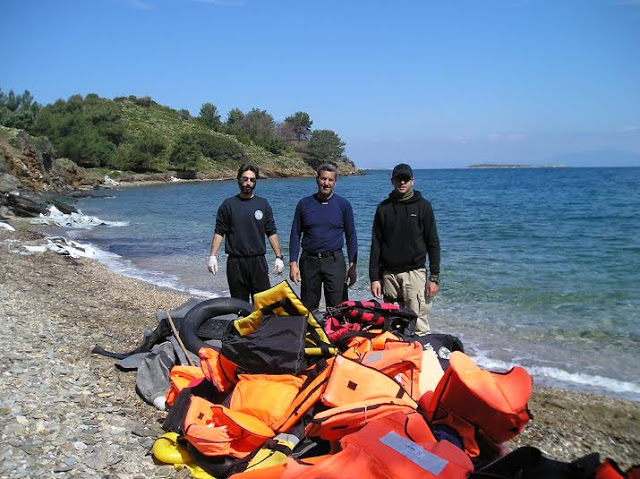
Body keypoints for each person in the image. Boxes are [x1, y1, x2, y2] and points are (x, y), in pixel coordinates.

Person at [369, 163, 440, 334]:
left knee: (418, 322)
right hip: (389, 275)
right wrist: (374, 277)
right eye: (398, 179)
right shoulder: (383, 208)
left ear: (412, 181)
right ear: (392, 181)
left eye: (406, 179)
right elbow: (376, 244)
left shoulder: (424, 206)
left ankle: (423, 355)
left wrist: (434, 277)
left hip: (414, 274)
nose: (402, 182)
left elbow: (433, 243)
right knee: (393, 324)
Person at [208, 163, 284, 302]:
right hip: (235, 263)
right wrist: (212, 256)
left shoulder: (263, 204)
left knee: (263, 305)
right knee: (239, 305)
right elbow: (219, 231)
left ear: (255, 182)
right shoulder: (228, 204)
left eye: (252, 180)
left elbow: (271, 231)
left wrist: (279, 257)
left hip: (258, 262)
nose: (248, 183)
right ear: (238, 179)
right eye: (245, 179)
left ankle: (261, 325)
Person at [289, 163, 358, 310]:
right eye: (323, 179)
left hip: (334, 261)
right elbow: (295, 234)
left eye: (330, 180)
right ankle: (312, 332)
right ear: (317, 180)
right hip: (309, 261)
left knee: (338, 308)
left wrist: (353, 265)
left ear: (335, 182)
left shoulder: (343, 205)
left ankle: (337, 332)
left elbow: (351, 236)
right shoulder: (304, 204)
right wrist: (293, 263)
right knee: (309, 307)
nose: (326, 183)